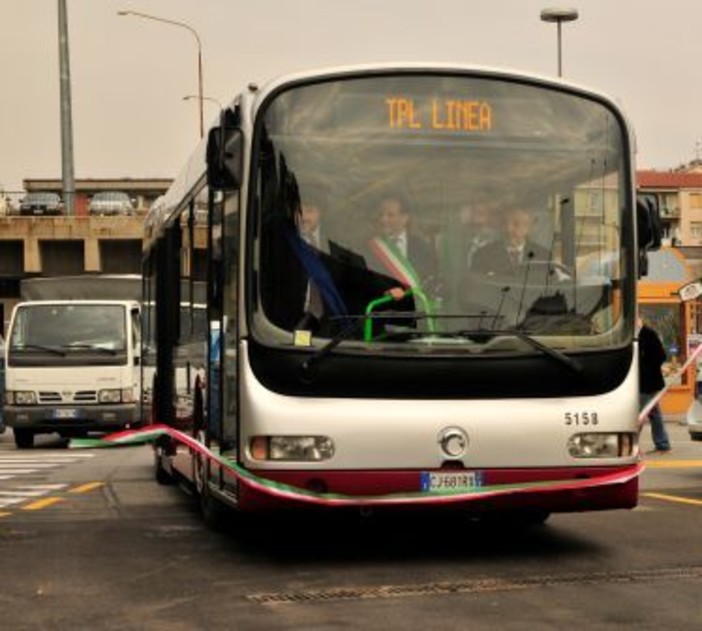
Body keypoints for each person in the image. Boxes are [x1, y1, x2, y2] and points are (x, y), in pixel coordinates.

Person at [470, 206, 550, 276]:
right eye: (505, 223)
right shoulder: (482, 255)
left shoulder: (544, 256)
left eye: (516, 224)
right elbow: (474, 289)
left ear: (529, 228)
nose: (508, 229)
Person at [638, 317, 671, 454]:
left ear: (639, 321)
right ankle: (663, 444)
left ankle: (631, 445)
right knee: (654, 414)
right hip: (642, 382)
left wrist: (646, 368)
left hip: (649, 382)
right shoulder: (634, 336)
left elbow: (661, 355)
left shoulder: (649, 334)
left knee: (638, 414)